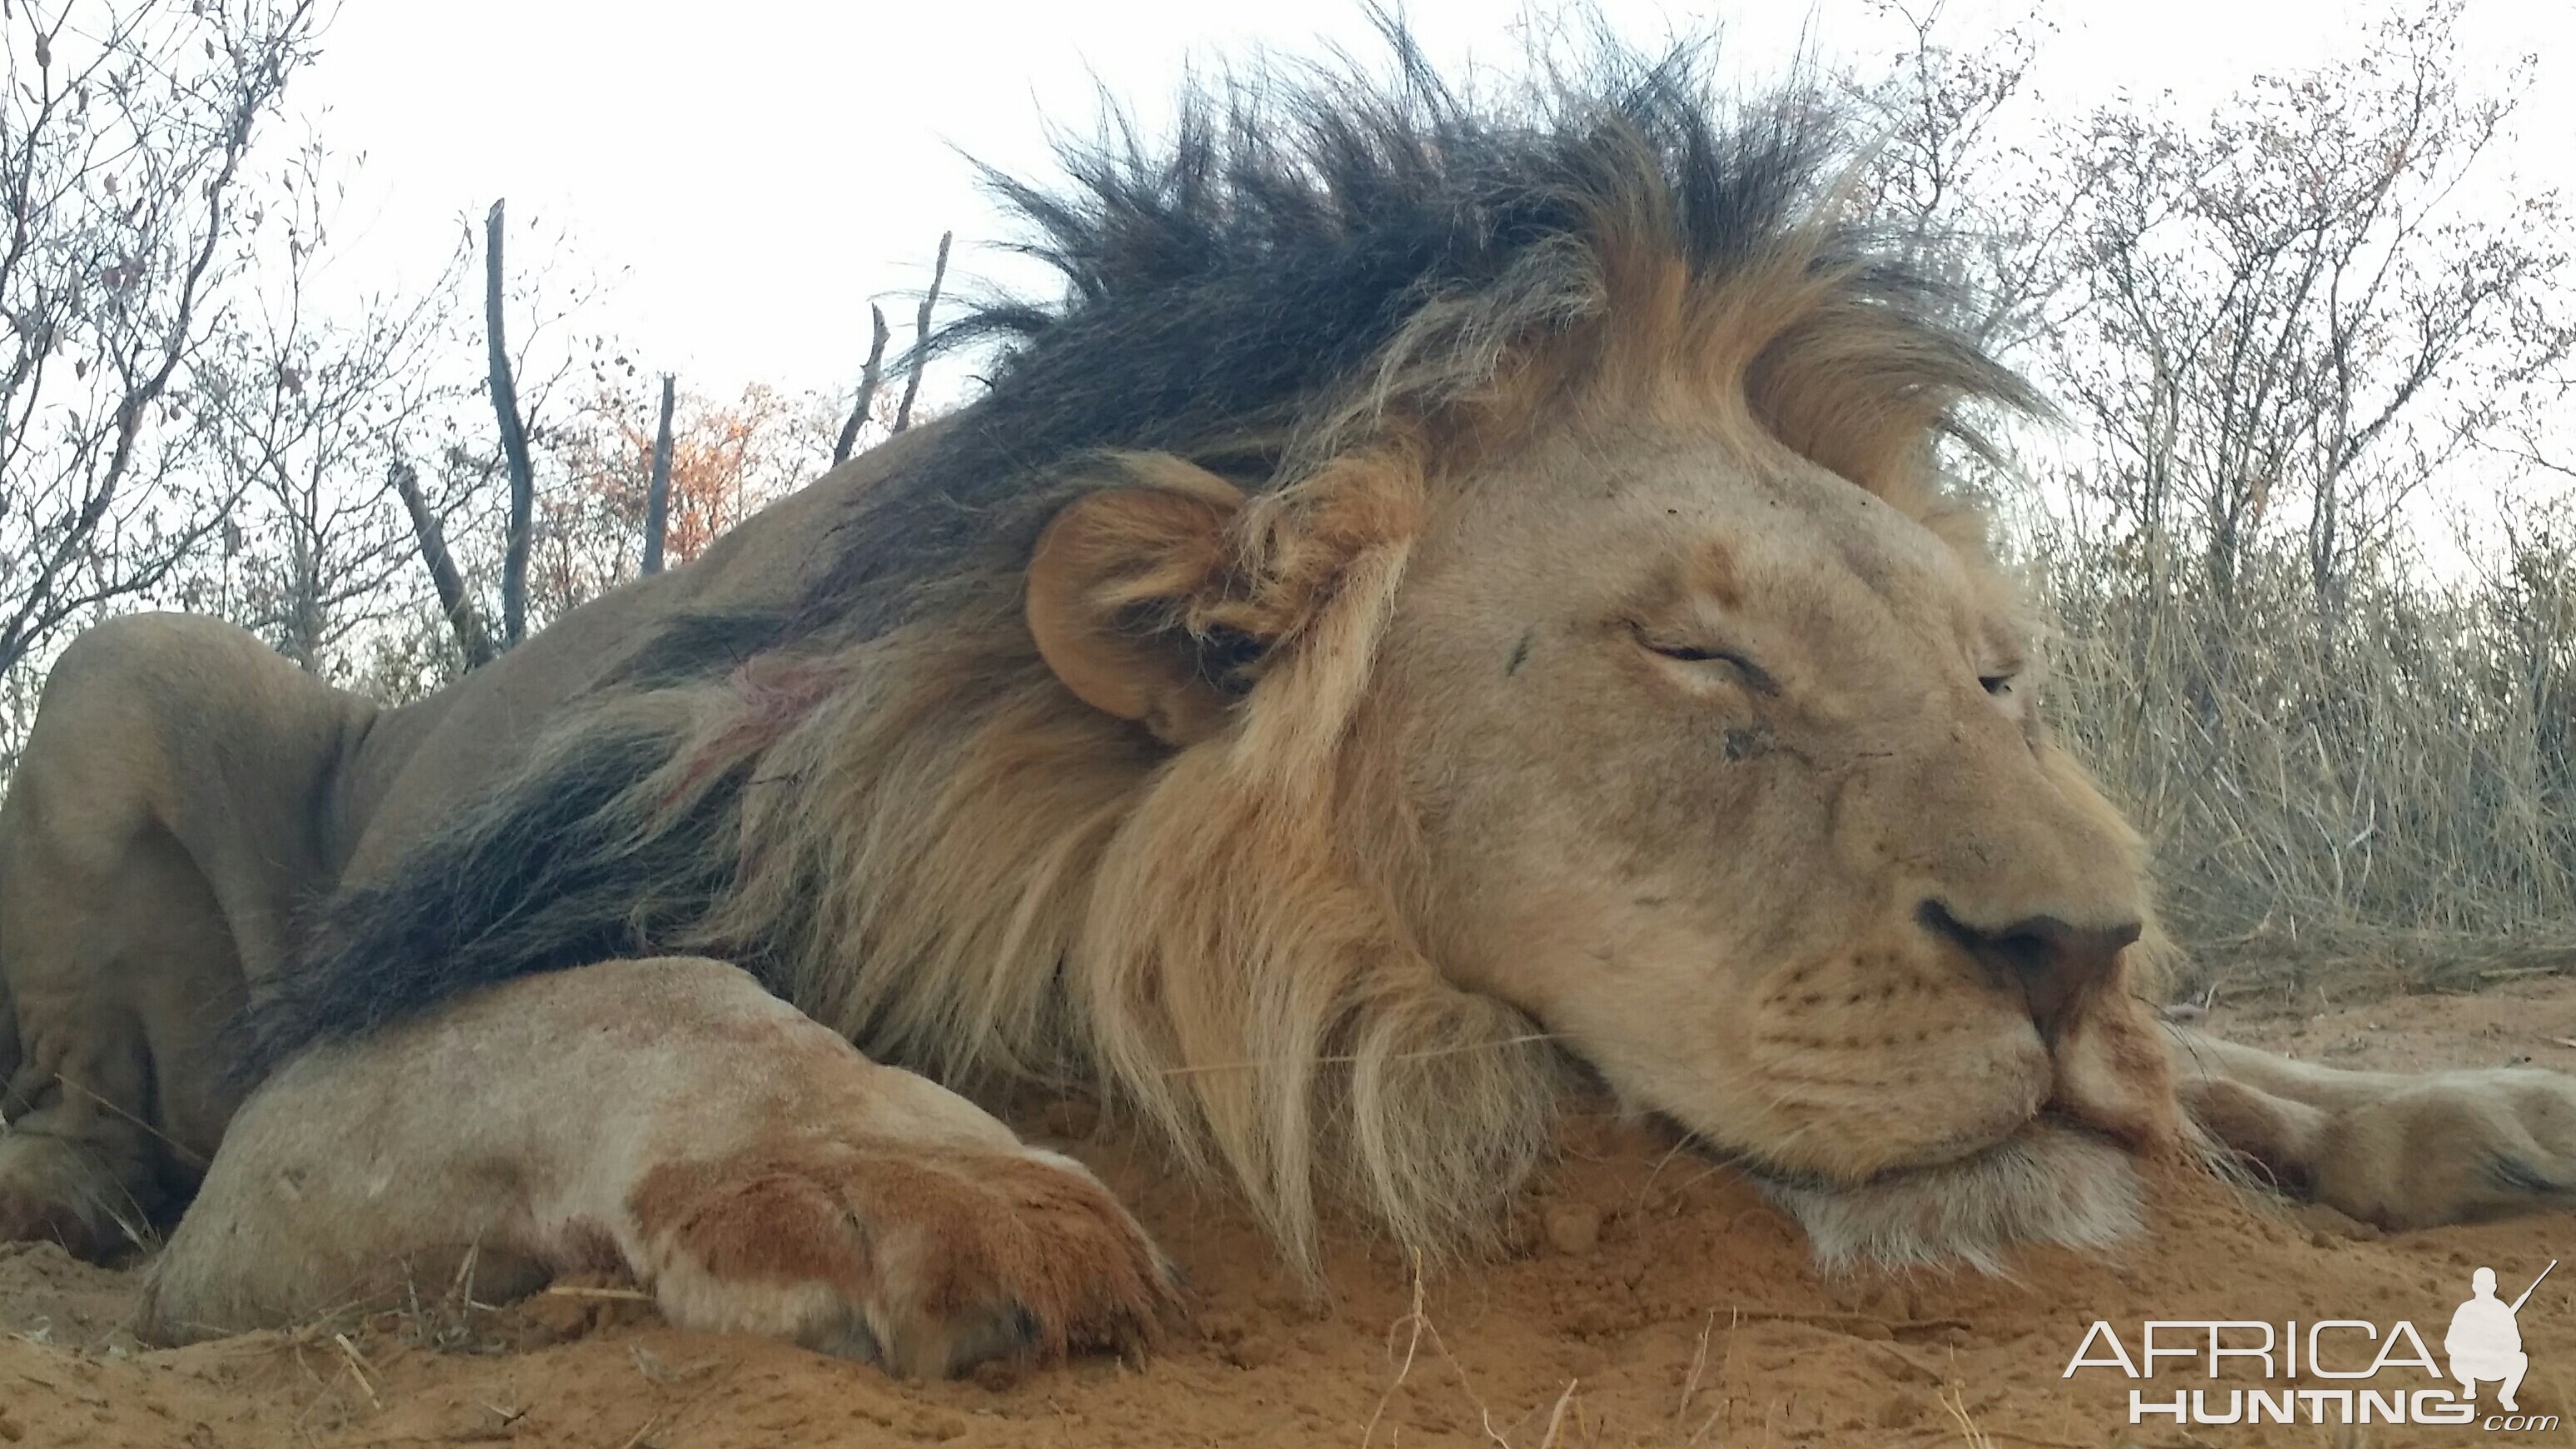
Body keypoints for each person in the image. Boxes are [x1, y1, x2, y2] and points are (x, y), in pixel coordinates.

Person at [2446, 1267, 2529, 1412]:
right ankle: (2469, 1385)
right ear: (2494, 1287)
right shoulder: (2466, 1309)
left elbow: (2515, 1344)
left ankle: (2506, 1396)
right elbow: (2450, 1344)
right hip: (2469, 1365)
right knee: (2455, 1357)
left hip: (2494, 1365)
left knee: (2520, 1359)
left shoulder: (2502, 1311)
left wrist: (2498, 1345)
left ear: (2474, 1287)